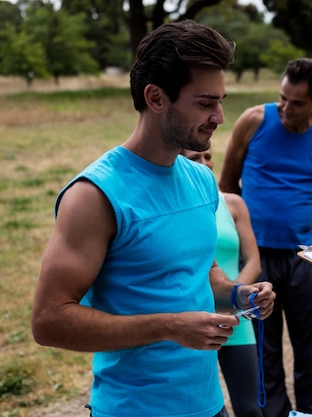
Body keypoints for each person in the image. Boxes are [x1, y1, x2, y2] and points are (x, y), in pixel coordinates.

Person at [31, 21, 275, 417]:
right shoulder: (94, 196)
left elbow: (201, 269)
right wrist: (170, 326)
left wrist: (237, 295)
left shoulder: (201, 179)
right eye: (205, 102)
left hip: (209, 405)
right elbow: (49, 321)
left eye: (221, 100)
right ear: (156, 97)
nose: (220, 116)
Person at [219, 57, 312, 417]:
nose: (286, 108)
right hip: (257, 255)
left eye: (296, 103)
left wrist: (302, 221)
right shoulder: (254, 120)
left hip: (309, 252)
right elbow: (228, 186)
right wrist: (250, 229)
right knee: (265, 349)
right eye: (282, 98)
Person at [182, 148, 263, 417]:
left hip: (234, 317)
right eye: (195, 159)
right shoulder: (178, 208)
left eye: (207, 156)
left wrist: (235, 297)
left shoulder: (233, 204)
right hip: (193, 317)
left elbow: (253, 261)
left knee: (250, 407)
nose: (204, 163)